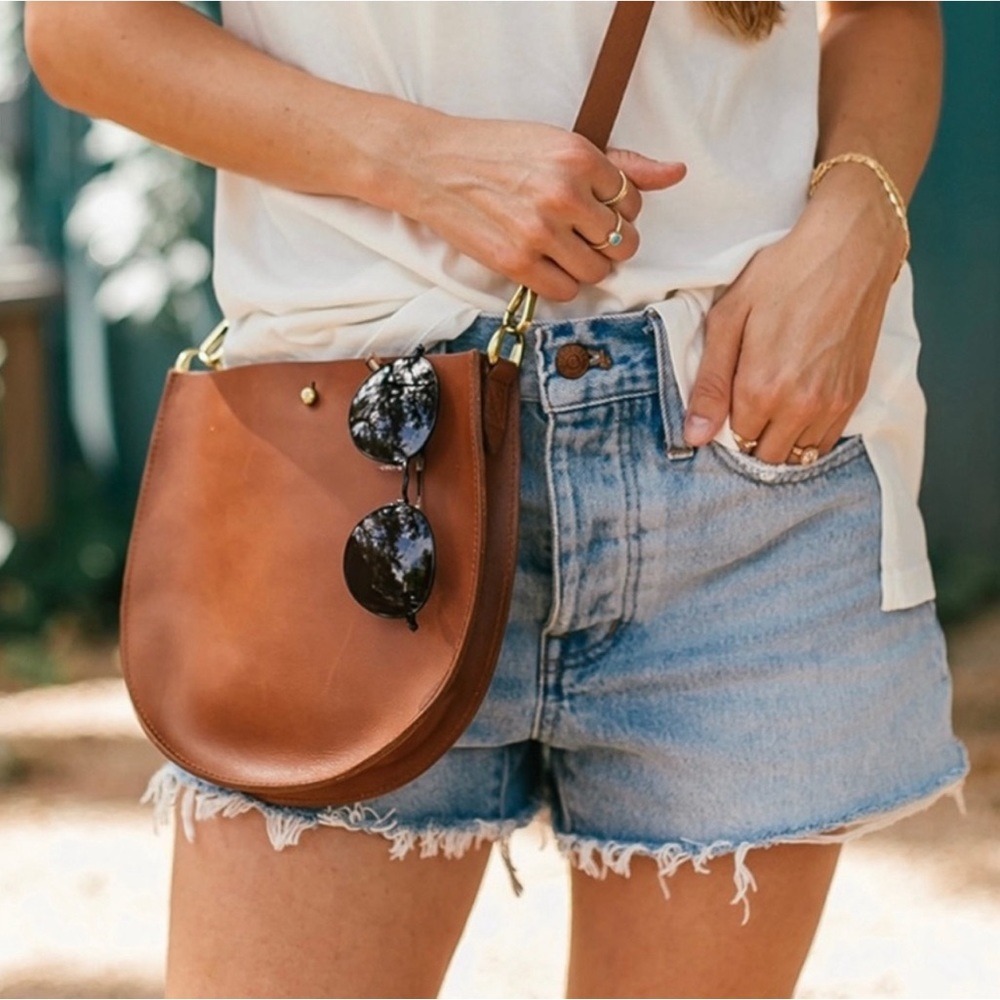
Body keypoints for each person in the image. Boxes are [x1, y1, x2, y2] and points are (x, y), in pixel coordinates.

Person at [26, 2, 968, 997]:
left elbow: (882, 15)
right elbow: (85, 31)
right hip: (351, 459)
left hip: (741, 440)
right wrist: (419, 161)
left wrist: (857, 222)